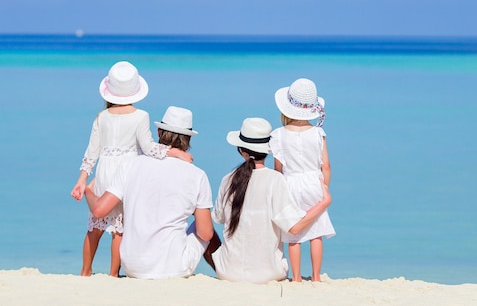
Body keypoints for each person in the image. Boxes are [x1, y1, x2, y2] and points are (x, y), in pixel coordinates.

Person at [70, 61, 191, 277]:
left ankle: (85, 270)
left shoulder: (102, 117)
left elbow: (91, 152)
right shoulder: (140, 116)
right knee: (119, 230)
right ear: (135, 91)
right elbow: (149, 148)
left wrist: (81, 180)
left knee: (95, 227)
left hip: (104, 173)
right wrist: (176, 153)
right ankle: (114, 274)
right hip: (127, 175)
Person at [84, 106, 219, 279]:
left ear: (159, 131)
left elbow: (99, 211)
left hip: (132, 266)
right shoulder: (197, 175)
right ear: (188, 139)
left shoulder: (130, 165)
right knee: (204, 227)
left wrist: (89, 191)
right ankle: (223, 274)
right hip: (173, 268)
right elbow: (205, 234)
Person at [210, 117, 332, 283]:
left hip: (227, 272)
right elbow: (295, 228)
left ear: (241, 150)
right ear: (268, 151)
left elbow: (217, 218)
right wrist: (324, 203)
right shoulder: (276, 180)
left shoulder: (228, 179)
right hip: (268, 274)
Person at [270, 78, 335, 282]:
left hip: (290, 182)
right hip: (313, 182)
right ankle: (316, 277)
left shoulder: (278, 135)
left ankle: (296, 277)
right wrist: (324, 185)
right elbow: (326, 165)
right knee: (316, 232)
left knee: (293, 234)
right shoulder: (318, 133)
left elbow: (278, 168)